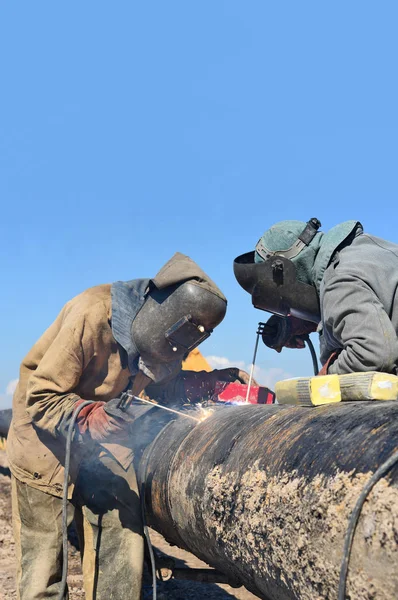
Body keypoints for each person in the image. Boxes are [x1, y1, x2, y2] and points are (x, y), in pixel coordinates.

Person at [7, 252, 250, 600]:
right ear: (161, 314)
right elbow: (42, 395)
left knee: (122, 543)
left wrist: (202, 384)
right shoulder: (91, 313)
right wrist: (89, 417)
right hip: (45, 437)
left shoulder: (169, 337)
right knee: (44, 559)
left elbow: (163, 383)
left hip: (108, 437)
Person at [233, 218, 398, 375]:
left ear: (286, 270)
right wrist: (306, 323)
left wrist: (325, 376)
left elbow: (372, 356)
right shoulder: (363, 248)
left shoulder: (338, 279)